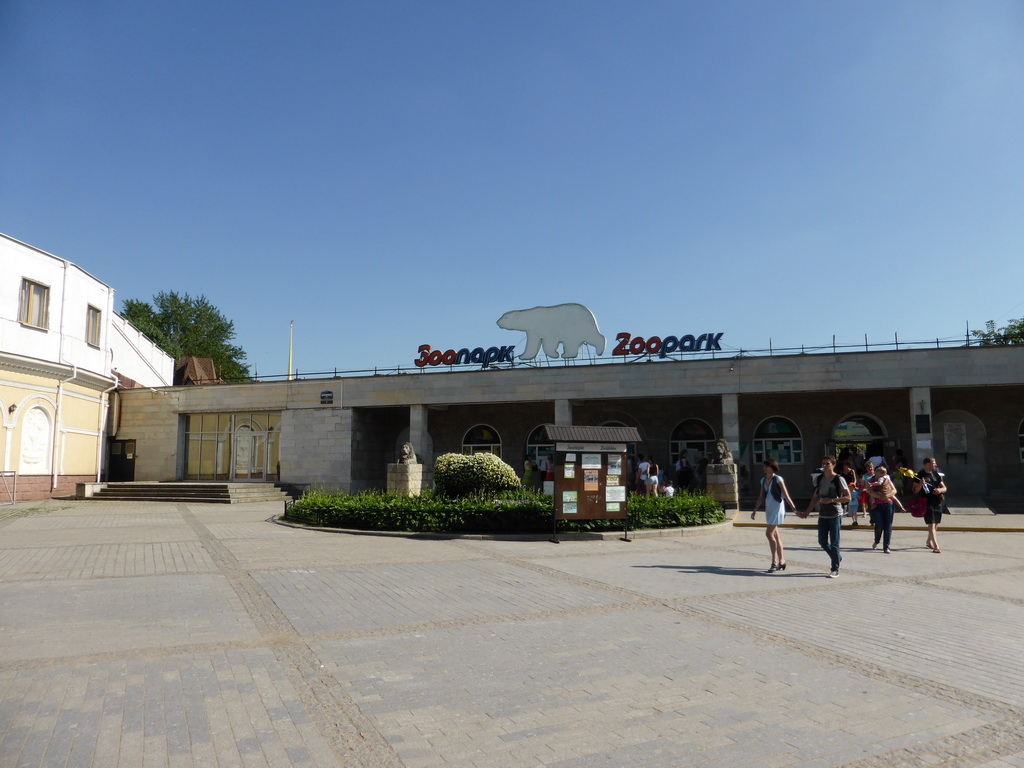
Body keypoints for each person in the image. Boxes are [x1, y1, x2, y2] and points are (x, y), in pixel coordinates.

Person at [799, 456, 850, 578]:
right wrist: (807, 512)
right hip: (822, 514)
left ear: (833, 465)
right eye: (823, 463)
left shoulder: (839, 479)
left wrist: (832, 500)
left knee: (834, 543)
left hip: (835, 514)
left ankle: (835, 568)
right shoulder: (820, 478)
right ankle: (836, 556)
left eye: (827, 463)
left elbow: (848, 497)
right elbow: (815, 497)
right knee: (822, 541)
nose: (825, 466)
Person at [751, 459, 797, 572]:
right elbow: (761, 496)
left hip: (778, 509)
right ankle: (782, 561)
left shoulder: (778, 479)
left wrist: (795, 510)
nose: (764, 468)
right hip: (769, 509)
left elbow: (786, 495)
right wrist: (755, 510)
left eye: (766, 466)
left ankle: (774, 562)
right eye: (764, 466)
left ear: (772, 467)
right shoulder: (763, 480)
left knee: (768, 533)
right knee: (776, 536)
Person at [913, 457, 947, 553]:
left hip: (938, 502)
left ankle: (929, 541)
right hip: (926, 502)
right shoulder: (920, 475)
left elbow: (944, 487)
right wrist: (920, 484)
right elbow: (915, 490)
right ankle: (936, 546)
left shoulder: (936, 474)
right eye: (933, 463)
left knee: (936, 523)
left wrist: (939, 490)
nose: (935, 465)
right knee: (931, 524)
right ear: (927, 464)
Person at [865, 465, 900, 553]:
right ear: (876, 472)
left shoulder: (886, 479)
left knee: (888, 526)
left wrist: (887, 496)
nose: (882, 474)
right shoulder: (871, 481)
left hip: (888, 504)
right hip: (876, 506)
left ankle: (886, 547)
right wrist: (880, 497)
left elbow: (894, 490)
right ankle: (876, 541)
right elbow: (869, 491)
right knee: (879, 526)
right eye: (880, 472)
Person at [839, 459, 859, 526]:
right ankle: (844, 508)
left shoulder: (852, 471)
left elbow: (854, 478)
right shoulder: (842, 471)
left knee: (852, 496)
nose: (845, 466)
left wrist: (854, 484)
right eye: (844, 465)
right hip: (844, 485)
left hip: (851, 485)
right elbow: (840, 478)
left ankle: (853, 516)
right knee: (844, 497)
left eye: (846, 465)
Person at [855, 460, 875, 527]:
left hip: (877, 493)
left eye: (871, 467)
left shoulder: (877, 474)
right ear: (866, 469)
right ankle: (873, 520)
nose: (870, 469)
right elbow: (862, 485)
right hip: (869, 494)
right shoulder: (865, 476)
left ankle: (878, 520)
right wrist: (859, 493)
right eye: (868, 468)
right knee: (870, 508)